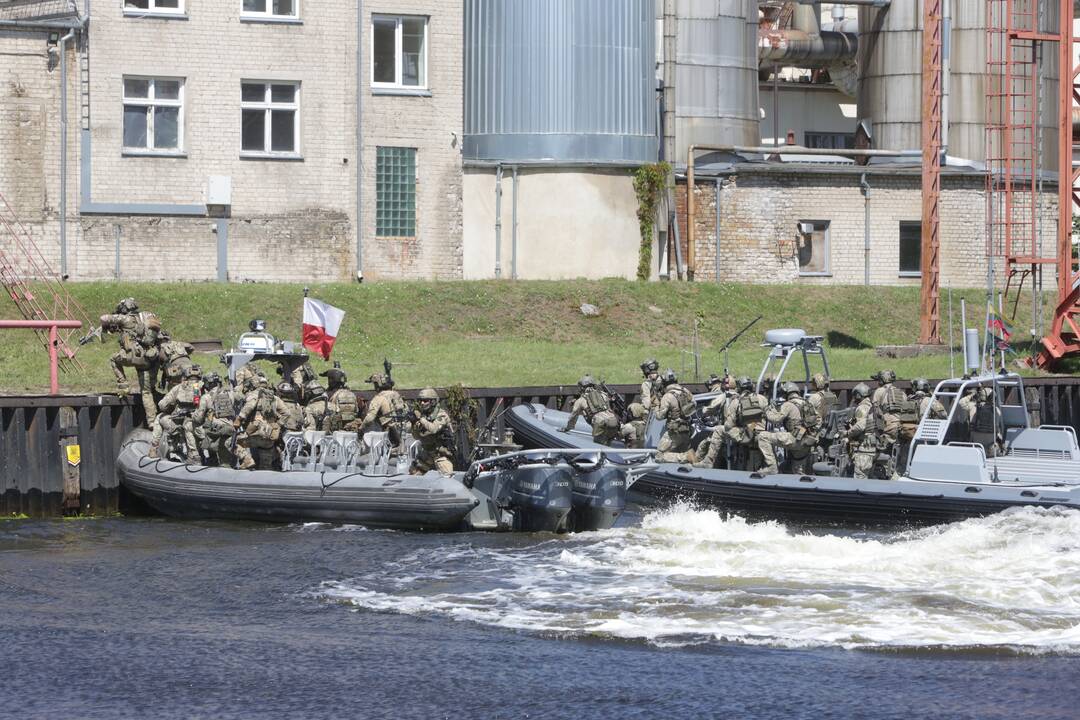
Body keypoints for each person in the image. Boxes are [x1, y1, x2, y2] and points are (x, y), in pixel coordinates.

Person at [99, 297, 161, 424]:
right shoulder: (144, 318)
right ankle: (152, 422)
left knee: (113, 359)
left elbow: (103, 318)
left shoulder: (125, 318)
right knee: (147, 392)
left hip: (131, 357)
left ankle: (124, 386)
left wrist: (114, 318)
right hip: (147, 359)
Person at [757, 381, 818, 475]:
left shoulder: (788, 404)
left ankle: (772, 467)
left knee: (762, 436)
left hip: (795, 440)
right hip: (807, 441)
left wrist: (767, 411)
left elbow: (776, 419)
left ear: (786, 393)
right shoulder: (807, 403)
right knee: (797, 471)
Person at [191, 371, 248, 468]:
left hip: (215, 431)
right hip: (231, 428)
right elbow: (243, 399)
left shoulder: (206, 397)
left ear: (208, 384)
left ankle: (197, 457)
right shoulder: (230, 393)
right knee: (225, 460)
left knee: (192, 427)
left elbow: (198, 418)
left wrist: (192, 414)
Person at [149, 364, 203, 463]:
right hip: (197, 426)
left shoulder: (179, 388)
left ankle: (153, 449)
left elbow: (162, 405)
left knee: (159, 417)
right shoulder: (203, 387)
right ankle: (197, 456)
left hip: (178, 425)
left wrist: (170, 407)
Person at [235, 374, 288, 470]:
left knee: (232, 442)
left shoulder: (254, 394)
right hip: (269, 436)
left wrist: (239, 419)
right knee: (265, 467)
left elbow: (249, 407)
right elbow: (287, 413)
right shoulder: (274, 398)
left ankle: (247, 460)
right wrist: (277, 425)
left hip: (254, 433)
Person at [725, 376, 770, 470]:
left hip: (746, 438)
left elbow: (729, 425)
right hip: (762, 437)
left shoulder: (736, 402)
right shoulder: (762, 399)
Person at [870, 369, 909, 478]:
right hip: (901, 427)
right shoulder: (901, 393)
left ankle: (882, 473)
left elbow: (876, 411)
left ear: (882, 380)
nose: (877, 382)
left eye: (878, 380)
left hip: (887, 427)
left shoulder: (879, 391)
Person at [560, 375, 619, 445]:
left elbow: (573, 416)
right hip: (613, 421)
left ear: (582, 387)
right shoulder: (604, 395)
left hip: (600, 423)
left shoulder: (581, 400)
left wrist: (568, 428)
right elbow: (609, 409)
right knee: (608, 443)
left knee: (598, 446)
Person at [845, 382, 887, 479]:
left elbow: (860, 426)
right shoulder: (873, 406)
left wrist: (848, 433)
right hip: (874, 448)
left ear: (858, 395)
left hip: (865, 449)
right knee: (870, 477)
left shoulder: (862, 408)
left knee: (860, 477)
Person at [409, 388, 455, 476]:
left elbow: (434, 429)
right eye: (420, 400)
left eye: (425, 400)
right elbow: (417, 437)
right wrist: (413, 424)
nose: (422, 403)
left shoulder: (441, 415)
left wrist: (420, 419)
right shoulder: (424, 415)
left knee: (447, 477)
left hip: (441, 454)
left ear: (433, 402)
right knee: (413, 475)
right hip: (427, 453)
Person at [654, 369, 697, 463]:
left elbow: (659, 416)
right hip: (686, 428)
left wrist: (656, 406)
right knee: (684, 449)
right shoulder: (686, 391)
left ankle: (685, 457)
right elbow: (694, 405)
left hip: (674, 432)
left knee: (659, 456)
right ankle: (690, 457)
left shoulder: (667, 396)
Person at [694, 375, 736, 469]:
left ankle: (697, 464)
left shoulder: (725, 396)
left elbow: (710, 409)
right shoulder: (739, 396)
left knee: (704, 444)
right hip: (737, 430)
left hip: (726, 430)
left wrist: (702, 411)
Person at [361, 372, 408, 449]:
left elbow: (369, 418)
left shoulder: (379, 398)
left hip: (388, 434)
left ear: (377, 385)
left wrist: (361, 429)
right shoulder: (397, 395)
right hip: (402, 429)